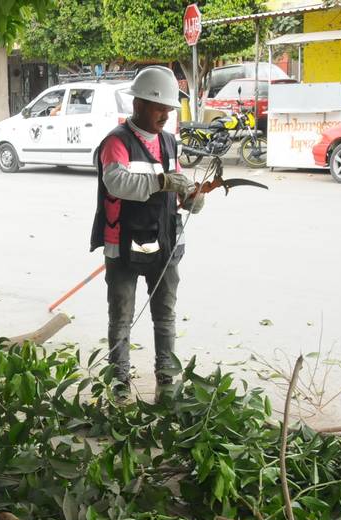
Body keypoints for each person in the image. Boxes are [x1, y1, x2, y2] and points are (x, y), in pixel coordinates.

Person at [88, 66, 204, 393]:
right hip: (122, 244)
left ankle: (166, 377)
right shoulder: (116, 142)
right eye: (159, 107)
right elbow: (117, 181)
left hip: (164, 242)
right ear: (138, 104)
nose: (166, 115)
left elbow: (178, 186)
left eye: (169, 108)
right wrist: (162, 181)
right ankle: (119, 380)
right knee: (121, 317)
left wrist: (189, 197)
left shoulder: (169, 143)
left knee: (165, 316)